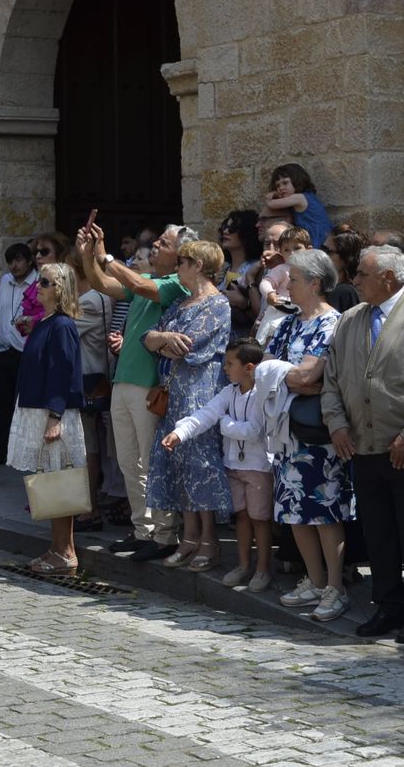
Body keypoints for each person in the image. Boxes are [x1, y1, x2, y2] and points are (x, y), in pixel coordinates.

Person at [321, 244, 404, 645]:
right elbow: (332, 379)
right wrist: (337, 424)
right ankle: (388, 603)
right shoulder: (350, 320)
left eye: (361, 274)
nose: (354, 281)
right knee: (378, 531)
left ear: (388, 278)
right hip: (363, 445)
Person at [76, 222, 189, 557]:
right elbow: (101, 283)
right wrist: (88, 256)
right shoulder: (149, 281)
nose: (155, 243)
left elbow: (134, 282)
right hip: (124, 380)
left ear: (180, 254)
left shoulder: (175, 284)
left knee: (152, 462)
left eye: (164, 242)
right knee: (128, 462)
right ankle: (144, 530)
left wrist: (104, 254)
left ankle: (165, 535)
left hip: (149, 385)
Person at [268, 250, 353, 622]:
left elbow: (307, 376)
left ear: (316, 283)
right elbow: (263, 371)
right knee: (294, 510)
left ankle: (336, 586)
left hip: (318, 434)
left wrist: (287, 379)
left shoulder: (331, 324)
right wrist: (292, 379)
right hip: (288, 433)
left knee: (324, 509)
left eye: (295, 278)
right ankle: (315, 581)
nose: (287, 284)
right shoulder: (287, 323)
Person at [142, 240, 231, 567]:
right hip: (174, 390)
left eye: (182, 261)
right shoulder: (180, 302)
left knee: (200, 463)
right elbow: (149, 337)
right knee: (177, 462)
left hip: (200, 390)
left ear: (198, 265)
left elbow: (192, 348)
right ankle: (189, 535)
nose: (177, 266)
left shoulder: (218, 304)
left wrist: (163, 343)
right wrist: (163, 339)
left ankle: (209, 538)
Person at [163, 339, 273, 589]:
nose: (225, 368)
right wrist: (179, 433)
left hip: (257, 468)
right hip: (234, 466)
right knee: (242, 517)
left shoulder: (261, 394)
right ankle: (244, 565)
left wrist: (224, 424)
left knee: (260, 518)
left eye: (230, 364)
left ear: (249, 367)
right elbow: (205, 415)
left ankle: (263, 568)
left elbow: (254, 431)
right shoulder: (228, 392)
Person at [7, 262, 86, 574]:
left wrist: (56, 416)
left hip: (52, 411)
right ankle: (55, 548)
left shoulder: (63, 325)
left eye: (45, 282)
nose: (37, 287)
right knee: (50, 481)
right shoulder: (45, 322)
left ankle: (66, 552)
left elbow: (63, 372)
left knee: (59, 480)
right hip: (35, 407)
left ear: (60, 290)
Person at [67, 246, 116, 531]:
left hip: (88, 378)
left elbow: (62, 331)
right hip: (91, 376)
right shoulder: (93, 298)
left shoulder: (90, 301)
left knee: (88, 448)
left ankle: (90, 508)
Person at [0, 242, 36, 456]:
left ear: (29, 261)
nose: (14, 266)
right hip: (3, 350)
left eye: (18, 260)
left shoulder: (37, 282)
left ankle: (22, 449)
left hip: (24, 351)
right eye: (10, 261)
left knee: (23, 403)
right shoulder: (5, 281)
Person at [261, 163, 332, 248]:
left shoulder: (299, 198)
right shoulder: (307, 196)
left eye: (285, 183)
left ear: (297, 181)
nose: (281, 188)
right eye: (278, 186)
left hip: (317, 237)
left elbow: (271, 205)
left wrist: (270, 196)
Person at [218, 210, 262, 338]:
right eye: (224, 227)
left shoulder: (256, 268)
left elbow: (262, 315)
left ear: (246, 232)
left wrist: (243, 303)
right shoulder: (223, 268)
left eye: (233, 228)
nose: (225, 232)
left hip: (242, 345)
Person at [321, 226, 366, 313]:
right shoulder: (327, 288)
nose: (323, 254)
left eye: (329, 251)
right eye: (323, 248)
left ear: (347, 258)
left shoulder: (343, 292)